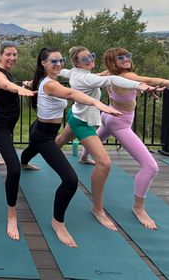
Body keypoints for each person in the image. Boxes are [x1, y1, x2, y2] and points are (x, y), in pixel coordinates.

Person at [81, 48, 169, 230]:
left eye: (128, 56)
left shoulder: (108, 74)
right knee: (150, 167)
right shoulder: (128, 77)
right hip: (119, 122)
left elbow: (91, 78)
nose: (126, 59)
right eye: (120, 57)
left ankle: (83, 156)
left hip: (108, 116)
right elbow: (146, 80)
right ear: (112, 61)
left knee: (97, 138)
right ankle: (139, 208)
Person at [21, 47, 121, 248]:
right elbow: (71, 93)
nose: (59, 64)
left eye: (61, 60)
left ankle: (23, 162)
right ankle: (57, 222)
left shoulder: (48, 79)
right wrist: (97, 103)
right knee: (70, 180)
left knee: (31, 150)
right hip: (43, 136)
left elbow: (74, 83)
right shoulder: (50, 84)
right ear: (44, 64)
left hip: (41, 130)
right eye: (53, 61)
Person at [52, 46, 155, 230]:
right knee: (105, 163)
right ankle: (97, 209)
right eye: (85, 59)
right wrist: (163, 83)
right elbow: (112, 79)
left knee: (59, 142)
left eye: (92, 55)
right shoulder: (88, 76)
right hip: (84, 123)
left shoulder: (78, 72)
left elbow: (66, 71)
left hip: (79, 116)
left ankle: (32, 156)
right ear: (77, 63)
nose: (90, 60)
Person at [0, 41, 36, 241]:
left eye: (15, 54)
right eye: (8, 54)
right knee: (14, 168)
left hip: (9, 124)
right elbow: (6, 85)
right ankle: (11, 214)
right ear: (0, 54)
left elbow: (12, 82)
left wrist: (25, 84)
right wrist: (18, 89)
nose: (12, 58)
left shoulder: (8, 71)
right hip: (0, 125)